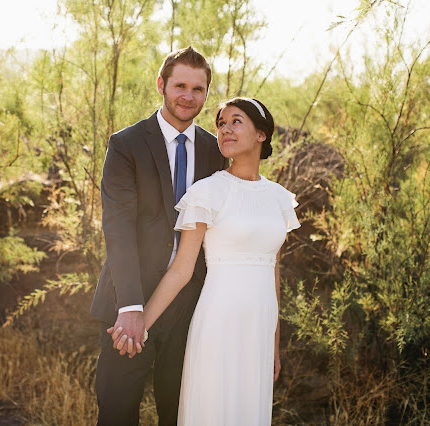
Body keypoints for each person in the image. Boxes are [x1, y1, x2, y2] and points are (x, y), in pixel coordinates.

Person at [110, 97, 300, 425]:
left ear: (261, 134)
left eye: (235, 121)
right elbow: (181, 270)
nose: (224, 129)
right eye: (221, 123)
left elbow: (274, 272)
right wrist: (141, 324)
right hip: (218, 321)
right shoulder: (207, 192)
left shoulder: (280, 199)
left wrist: (274, 344)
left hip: (259, 326)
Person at [89, 46, 229, 425]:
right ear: (161, 85)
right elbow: (117, 228)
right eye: (180, 85)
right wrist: (131, 307)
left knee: (181, 414)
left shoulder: (215, 151)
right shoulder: (126, 145)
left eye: (198, 89)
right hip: (130, 303)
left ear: (206, 94)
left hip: (190, 308)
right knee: (117, 412)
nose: (188, 96)